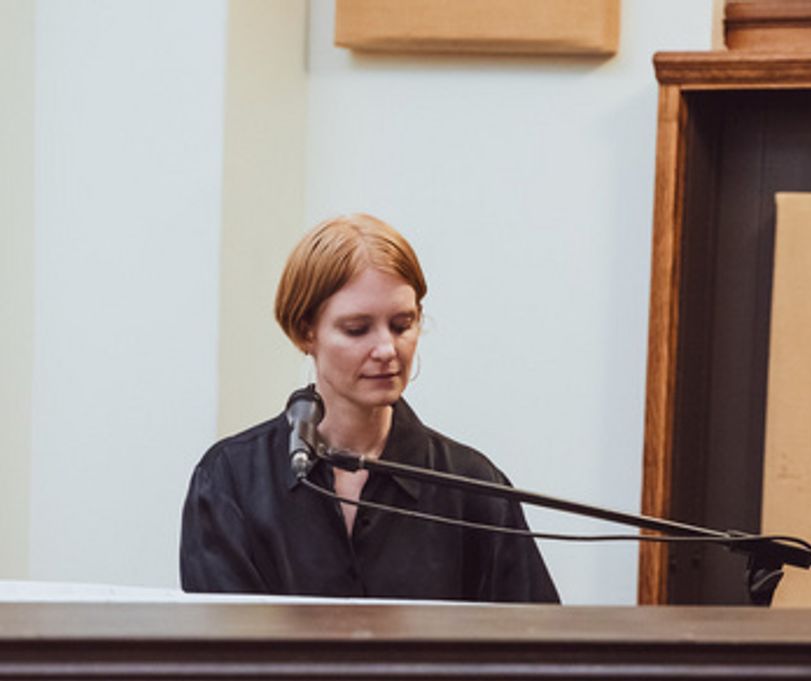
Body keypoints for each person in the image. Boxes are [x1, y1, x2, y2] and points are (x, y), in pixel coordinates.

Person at [180, 213, 559, 603]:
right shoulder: (230, 480)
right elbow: (222, 639)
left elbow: (536, 636)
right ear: (306, 331)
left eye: (402, 325)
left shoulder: (473, 487)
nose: (386, 350)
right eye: (357, 329)